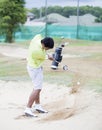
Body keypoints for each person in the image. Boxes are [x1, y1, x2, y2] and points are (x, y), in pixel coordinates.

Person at [24, 34, 54, 117]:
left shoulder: (38, 38)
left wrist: (47, 53)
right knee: (37, 88)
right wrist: (49, 57)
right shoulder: (37, 52)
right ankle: (28, 109)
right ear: (44, 44)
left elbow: (38, 36)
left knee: (38, 87)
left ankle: (37, 105)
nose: (47, 49)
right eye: (47, 48)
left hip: (36, 67)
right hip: (34, 69)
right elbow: (46, 57)